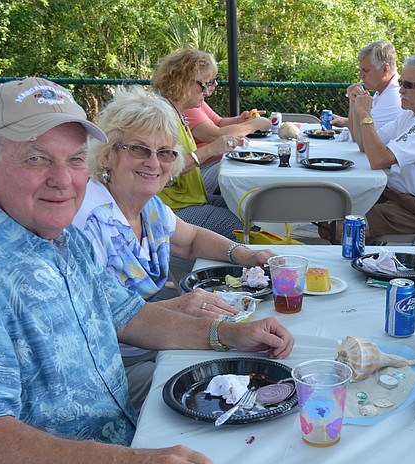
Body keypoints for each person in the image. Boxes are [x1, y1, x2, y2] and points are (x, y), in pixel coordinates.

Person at [0, 77, 294, 464]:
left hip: (120, 443)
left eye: (73, 160)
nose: (62, 180)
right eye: (37, 158)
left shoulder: (60, 237)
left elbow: (131, 318)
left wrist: (229, 335)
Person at [73, 85, 277, 410]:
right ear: (109, 153)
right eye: (140, 149)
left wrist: (246, 255)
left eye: (166, 152)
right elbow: (98, 322)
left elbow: (191, 237)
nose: (154, 162)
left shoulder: (147, 205)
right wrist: (180, 307)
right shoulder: (89, 220)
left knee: (250, 359)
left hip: (153, 343)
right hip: (106, 366)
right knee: (228, 390)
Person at [327, 54, 415, 243]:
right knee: (328, 214)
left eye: (409, 85)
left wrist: (365, 113)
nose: (401, 90)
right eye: (401, 83)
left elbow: (378, 159)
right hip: (395, 197)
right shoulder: (411, 114)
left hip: (414, 209)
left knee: (339, 228)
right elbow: (366, 146)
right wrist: (356, 106)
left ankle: (359, 264)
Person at [151, 48, 245, 239]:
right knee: (242, 229)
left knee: (245, 209)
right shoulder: (162, 117)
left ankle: (217, 267)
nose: (209, 90)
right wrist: (212, 148)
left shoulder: (177, 111)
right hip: (172, 207)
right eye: (205, 84)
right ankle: (226, 268)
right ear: (182, 82)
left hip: (188, 199)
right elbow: (165, 170)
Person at [184, 78, 271, 195]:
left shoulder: (196, 101)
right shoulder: (187, 106)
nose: (215, 84)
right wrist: (254, 125)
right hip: (197, 172)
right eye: (208, 81)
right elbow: (214, 135)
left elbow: (218, 122)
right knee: (251, 171)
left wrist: (240, 120)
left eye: (216, 79)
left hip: (207, 164)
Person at [340, 41, 404, 143]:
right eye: (360, 70)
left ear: (385, 69)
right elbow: (358, 137)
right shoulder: (384, 90)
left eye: (366, 70)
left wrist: (359, 108)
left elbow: (363, 143)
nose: (361, 75)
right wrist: (354, 102)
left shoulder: (394, 96)